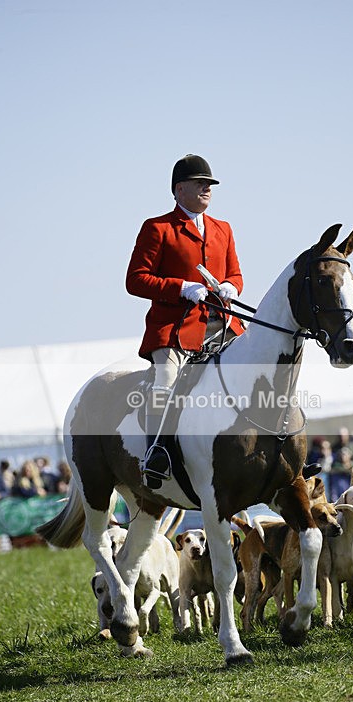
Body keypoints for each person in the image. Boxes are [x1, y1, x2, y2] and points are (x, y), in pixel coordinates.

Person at [125, 154, 245, 483]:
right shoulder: (158, 228)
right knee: (164, 383)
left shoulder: (224, 229)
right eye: (200, 184)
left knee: (262, 372)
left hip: (224, 324)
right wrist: (181, 288)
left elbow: (235, 274)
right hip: (176, 330)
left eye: (210, 185)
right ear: (179, 189)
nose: (207, 189)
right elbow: (135, 280)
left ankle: (278, 448)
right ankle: (158, 452)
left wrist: (231, 287)